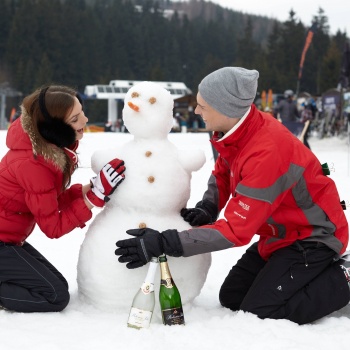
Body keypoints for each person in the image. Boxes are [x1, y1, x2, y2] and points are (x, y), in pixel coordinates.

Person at [115, 67, 350, 325]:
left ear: (225, 108)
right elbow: (223, 172)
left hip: (312, 237)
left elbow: (236, 231)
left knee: (260, 311)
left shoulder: (266, 152)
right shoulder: (237, 132)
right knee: (232, 297)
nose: (196, 111)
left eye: (202, 105)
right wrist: (208, 206)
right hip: (279, 234)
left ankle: (343, 278)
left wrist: (164, 243)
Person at [0, 85, 125, 313]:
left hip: (9, 238)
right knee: (54, 296)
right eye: (76, 118)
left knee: (56, 285)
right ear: (54, 127)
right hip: (3, 241)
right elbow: (52, 227)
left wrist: (90, 188)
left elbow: (51, 200)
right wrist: (95, 198)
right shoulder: (32, 163)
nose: (85, 120)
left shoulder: (43, 149)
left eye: (82, 112)